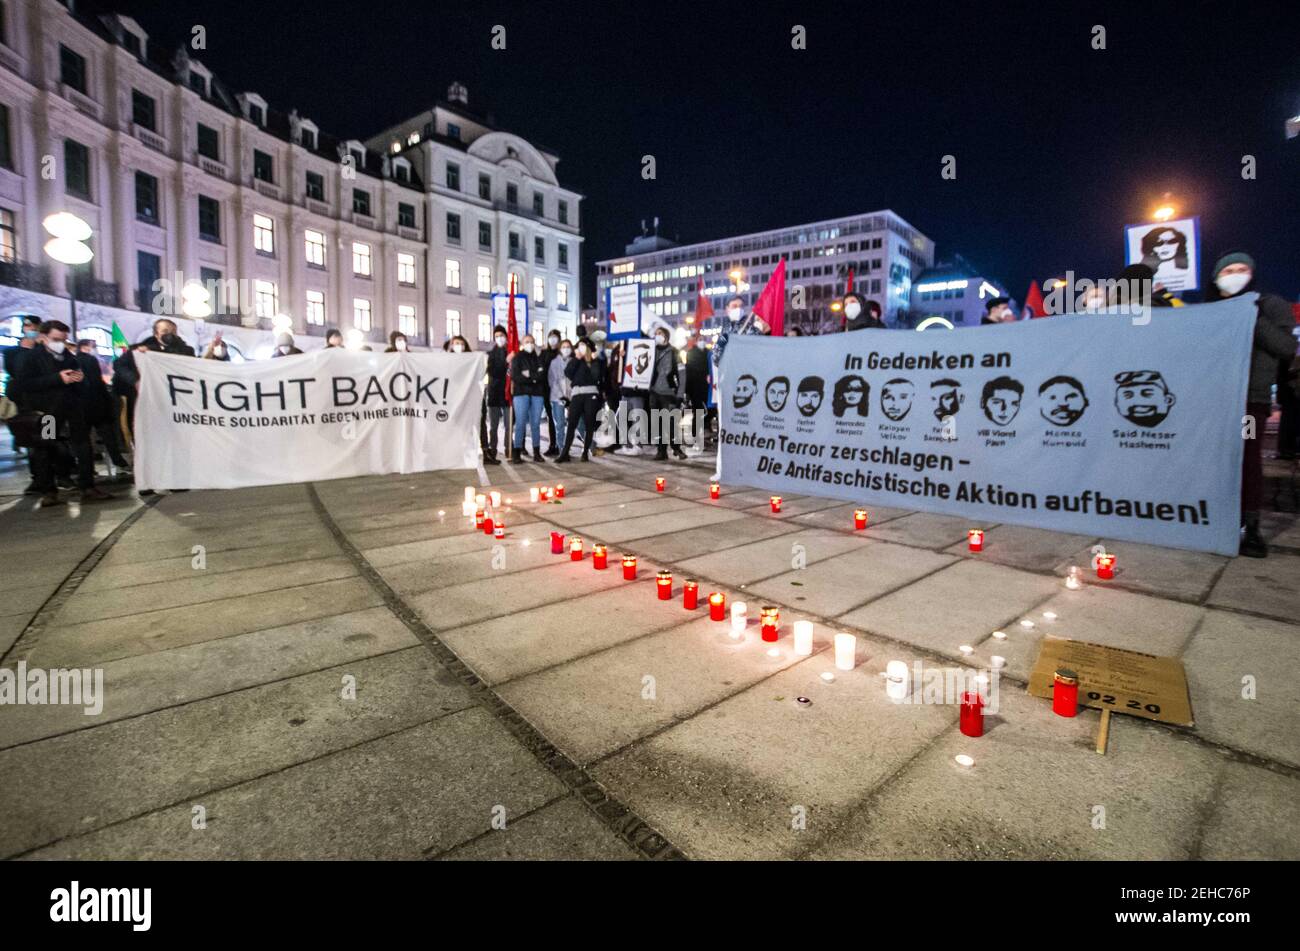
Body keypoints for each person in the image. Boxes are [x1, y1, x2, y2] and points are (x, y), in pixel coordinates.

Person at [1204, 251, 1298, 557]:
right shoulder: (1210, 308)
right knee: (1211, 459)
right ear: (1216, 278)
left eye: (1241, 269)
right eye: (1228, 270)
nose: (1234, 274)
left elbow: (1285, 346)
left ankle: (1249, 525)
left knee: (1246, 458)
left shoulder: (1267, 305)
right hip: (1212, 401)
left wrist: (1250, 315)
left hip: (1248, 402)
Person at [14, 320, 113, 506]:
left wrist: (79, 380)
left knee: (83, 445)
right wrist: (57, 378)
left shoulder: (69, 357)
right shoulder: (31, 357)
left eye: (63, 339)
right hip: (48, 412)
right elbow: (23, 384)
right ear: (44, 337)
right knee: (46, 447)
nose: (60, 343)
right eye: (56, 339)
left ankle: (87, 486)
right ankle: (49, 490)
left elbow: (82, 382)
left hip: (73, 408)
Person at [3, 316, 43, 493]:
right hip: (24, 405)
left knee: (49, 438)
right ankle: (39, 478)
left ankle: (58, 474)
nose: (31, 329)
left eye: (34, 326)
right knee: (32, 442)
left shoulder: (43, 350)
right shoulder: (13, 352)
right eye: (28, 326)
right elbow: (16, 372)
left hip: (46, 407)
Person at [556, 338, 603, 463]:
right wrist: (577, 358)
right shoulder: (575, 360)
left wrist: (592, 360)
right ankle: (564, 452)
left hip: (591, 394)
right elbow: (568, 373)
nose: (580, 347)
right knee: (571, 423)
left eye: (583, 345)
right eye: (579, 345)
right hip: (577, 394)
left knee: (589, 424)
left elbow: (596, 376)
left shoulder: (595, 361)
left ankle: (585, 451)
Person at [649, 326, 687, 460]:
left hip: (669, 394)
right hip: (654, 393)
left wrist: (680, 395)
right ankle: (661, 451)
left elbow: (682, 375)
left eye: (659, 333)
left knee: (671, 423)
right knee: (657, 423)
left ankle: (676, 448)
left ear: (666, 336)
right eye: (655, 333)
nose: (656, 335)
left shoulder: (675, 352)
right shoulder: (651, 351)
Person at [509, 334, 547, 462]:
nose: (529, 344)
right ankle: (517, 452)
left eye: (531, 341)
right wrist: (533, 377)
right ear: (522, 344)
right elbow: (516, 376)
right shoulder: (517, 358)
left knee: (535, 424)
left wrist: (528, 375)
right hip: (521, 394)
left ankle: (536, 452)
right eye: (527, 342)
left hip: (537, 394)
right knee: (520, 423)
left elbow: (542, 374)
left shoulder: (539, 358)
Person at [484, 325, 509, 463]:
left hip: (507, 393)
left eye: (502, 335)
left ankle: (508, 448)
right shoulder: (490, 354)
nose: (499, 338)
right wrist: (506, 362)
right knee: (493, 426)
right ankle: (492, 449)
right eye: (497, 336)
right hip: (494, 393)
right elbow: (494, 372)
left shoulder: (511, 352)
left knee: (508, 424)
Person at [539, 329, 563, 455]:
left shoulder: (561, 354)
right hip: (546, 390)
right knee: (551, 418)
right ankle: (553, 444)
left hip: (559, 392)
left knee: (559, 419)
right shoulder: (543, 353)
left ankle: (561, 445)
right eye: (551, 337)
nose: (553, 339)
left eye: (555, 337)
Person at [548, 338, 572, 459]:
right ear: (560, 349)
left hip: (572, 397)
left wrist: (570, 396)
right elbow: (552, 381)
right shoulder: (554, 363)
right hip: (557, 397)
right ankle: (561, 448)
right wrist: (561, 396)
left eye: (568, 347)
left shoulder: (573, 362)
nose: (566, 349)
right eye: (564, 347)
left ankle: (567, 447)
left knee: (572, 424)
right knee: (560, 423)